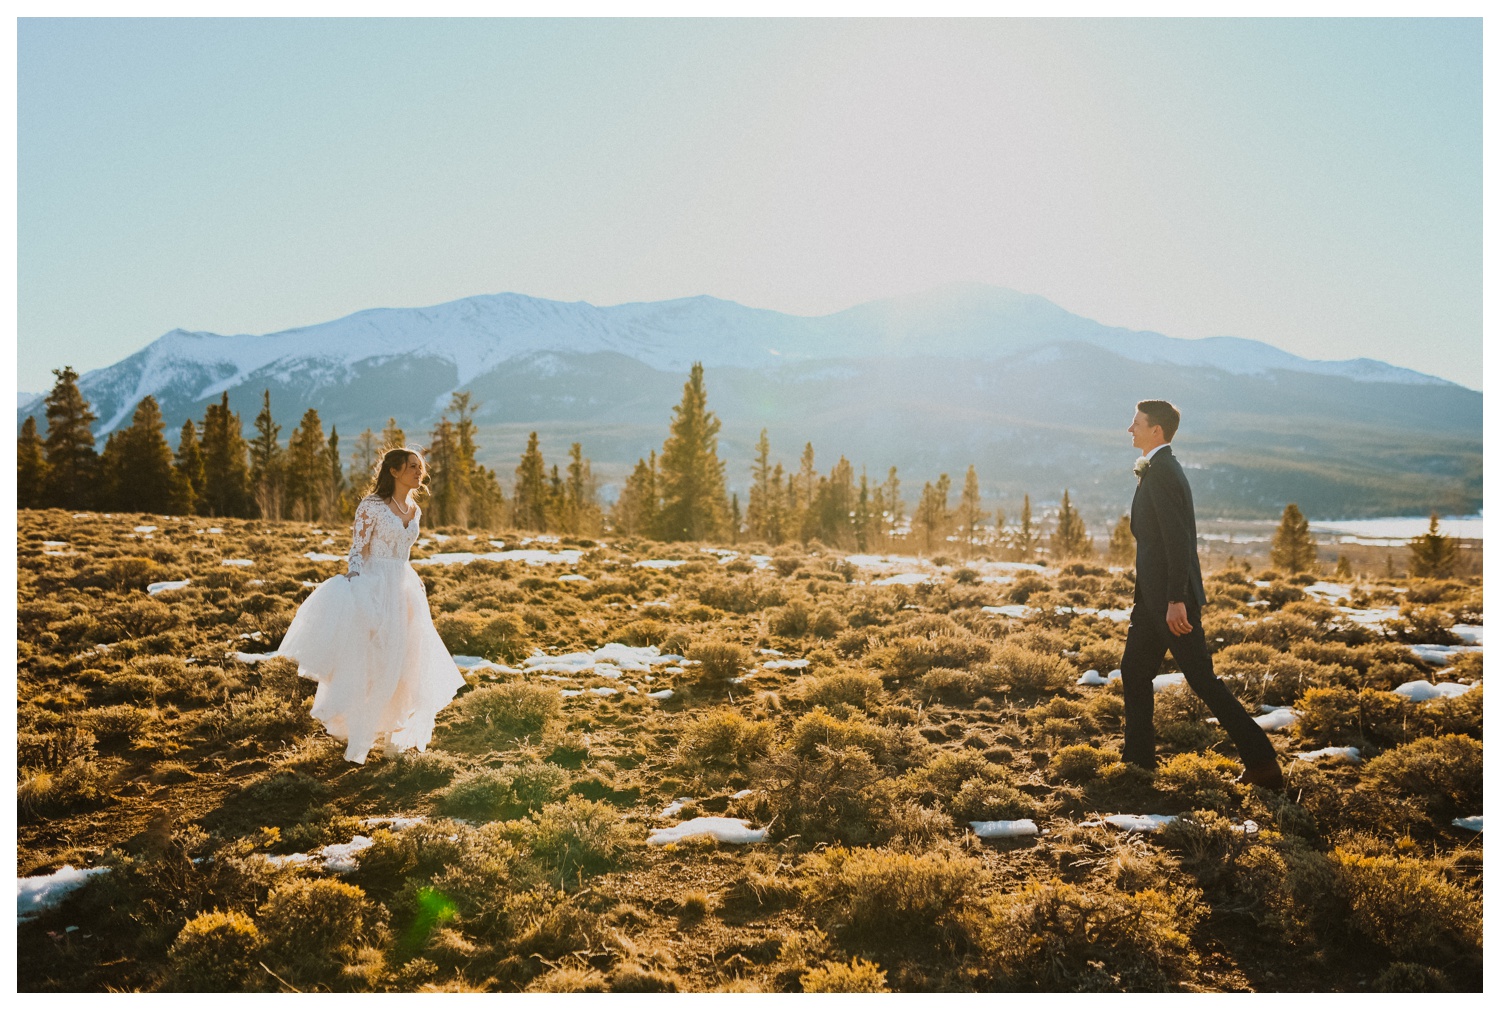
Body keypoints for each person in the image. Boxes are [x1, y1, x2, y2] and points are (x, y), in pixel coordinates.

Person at [1121, 400, 1283, 789]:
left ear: (1156, 431)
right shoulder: (1157, 468)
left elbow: (1178, 542)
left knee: (1203, 680)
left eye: (1137, 423)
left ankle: (1263, 764)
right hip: (1152, 602)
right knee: (1134, 671)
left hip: (1170, 603)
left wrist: (1176, 599)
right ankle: (1139, 764)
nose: (1130, 429)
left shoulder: (1161, 472)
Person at [279, 446, 465, 764]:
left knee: (408, 661)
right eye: (412, 466)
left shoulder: (414, 510)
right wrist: (357, 580)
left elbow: (403, 555)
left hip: (404, 588)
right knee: (373, 664)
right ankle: (359, 741)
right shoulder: (372, 506)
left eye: (421, 467)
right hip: (374, 584)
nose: (419, 472)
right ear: (393, 471)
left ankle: (398, 741)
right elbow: (358, 549)